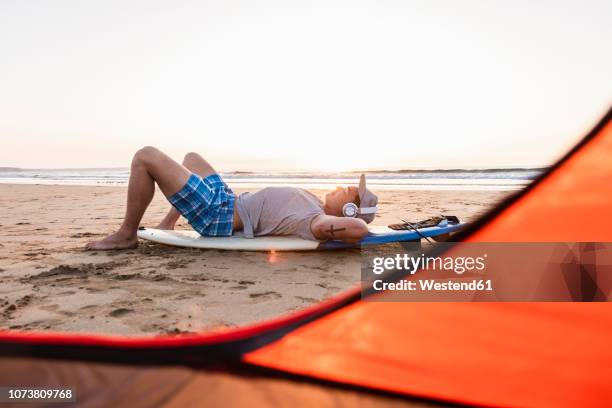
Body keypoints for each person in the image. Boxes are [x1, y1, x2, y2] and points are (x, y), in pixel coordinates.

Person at [86, 146, 378, 250]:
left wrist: (356, 225)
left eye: (348, 192)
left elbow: (357, 230)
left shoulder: (317, 220)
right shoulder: (315, 203)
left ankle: (126, 235)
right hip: (227, 199)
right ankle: (169, 222)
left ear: (350, 209)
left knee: (145, 156)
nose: (342, 186)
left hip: (218, 215)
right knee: (191, 157)